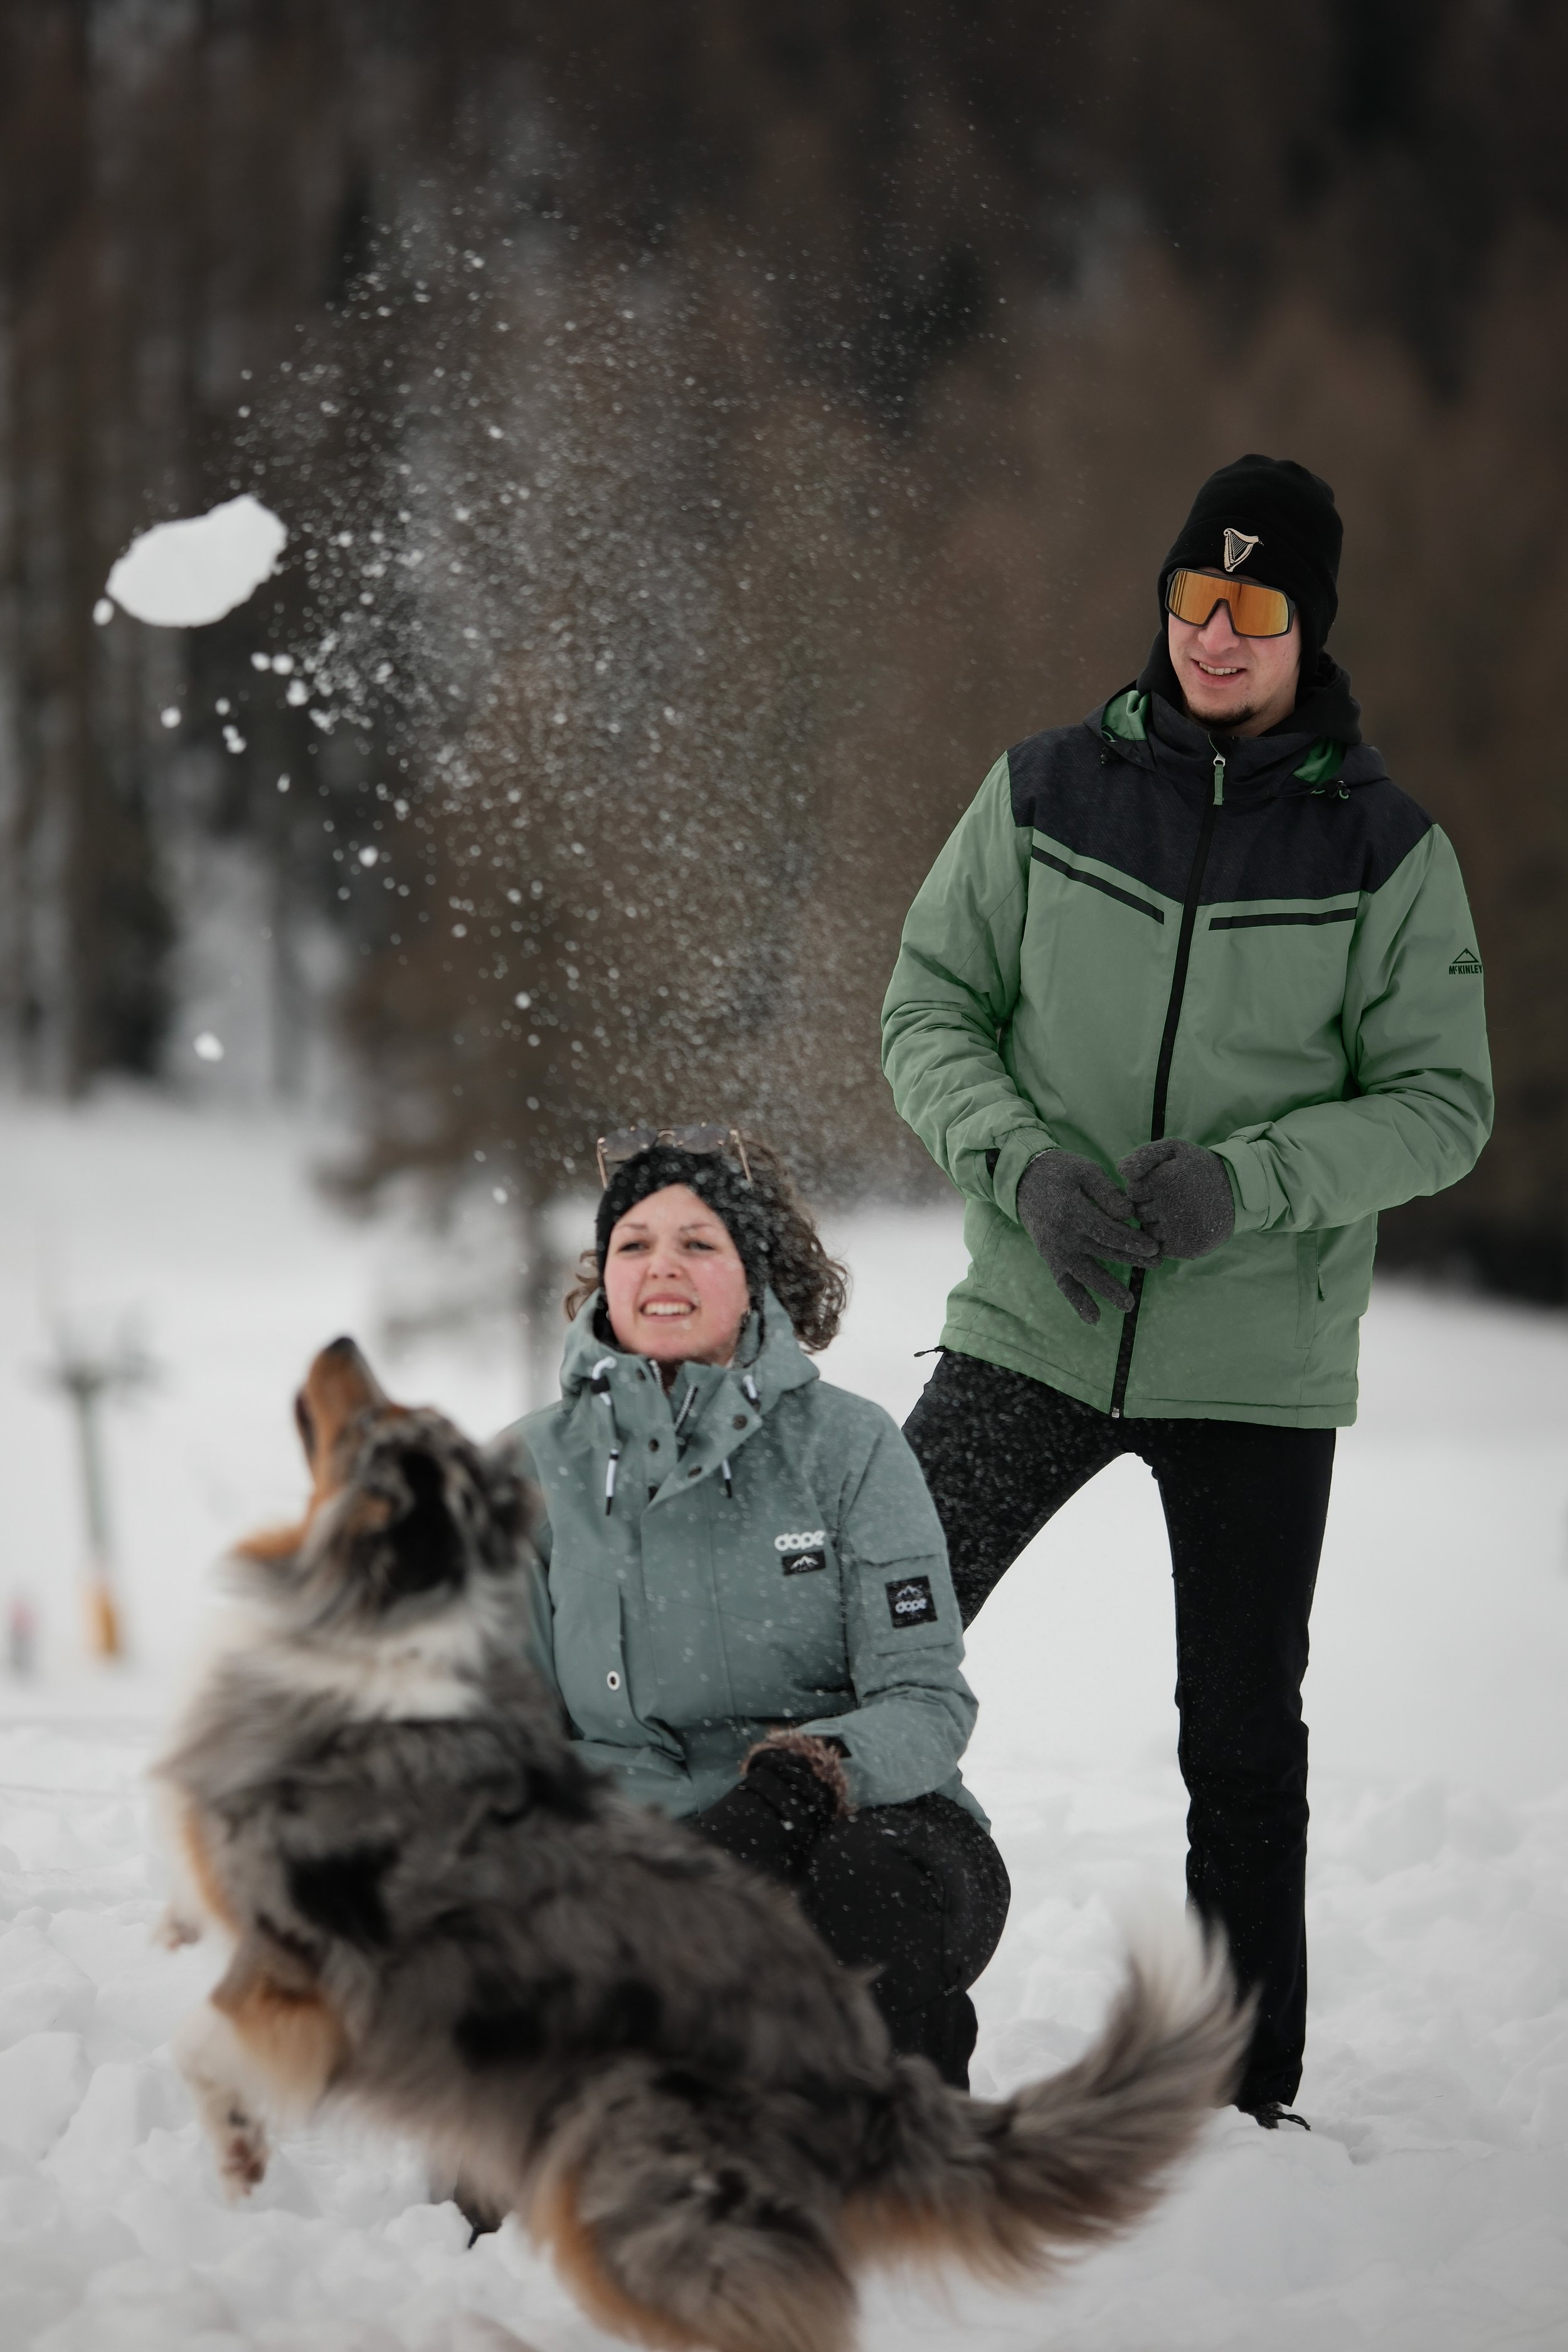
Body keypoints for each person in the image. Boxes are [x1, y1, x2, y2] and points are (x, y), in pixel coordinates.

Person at [881, 455, 1493, 2127]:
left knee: (1239, 1740)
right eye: (1193, 598)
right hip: (1032, 1320)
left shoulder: (1385, 851)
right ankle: (869, 2028)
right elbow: (925, 1010)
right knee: (871, 1645)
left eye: (1255, 606)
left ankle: (1240, 2100)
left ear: (1306, 628)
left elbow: (1442, 1103)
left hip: (1254, 1364)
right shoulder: (1037, 796)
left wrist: (1252, 1179)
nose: (1214, 635)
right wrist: (1022, 1164)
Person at [494, 1128, 1010, 2089]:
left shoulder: (850, 1448)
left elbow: (927, 1700)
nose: (662, 1268)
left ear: (758, 1269)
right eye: (634, 1244)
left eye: (699, 1242)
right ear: (602, 1274)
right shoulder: (525, 1469)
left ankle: (901, 2151)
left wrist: (797, 1788)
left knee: (865, 1893)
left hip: (856, 1832)